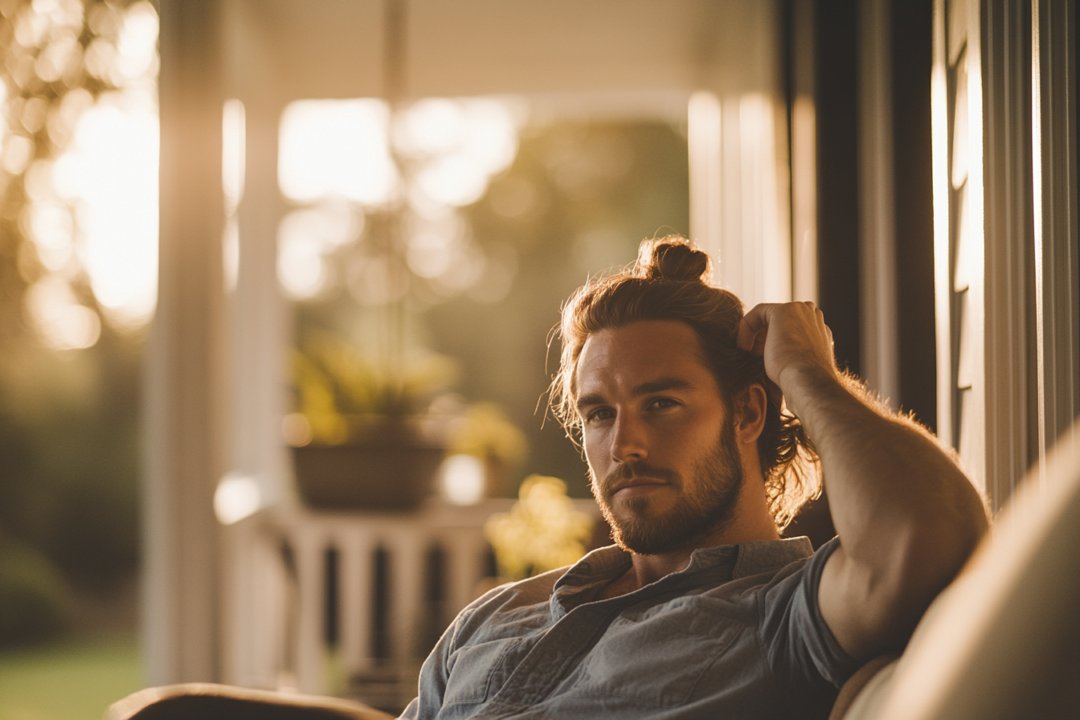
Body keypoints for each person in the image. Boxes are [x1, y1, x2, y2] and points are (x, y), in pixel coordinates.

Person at [398, 236, 988, 719]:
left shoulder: (782, 618)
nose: (623, 444)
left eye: (661, 404)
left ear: (748, 413)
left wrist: (808, 375)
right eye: (600, 413)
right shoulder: (492, 619)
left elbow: (931, 536)